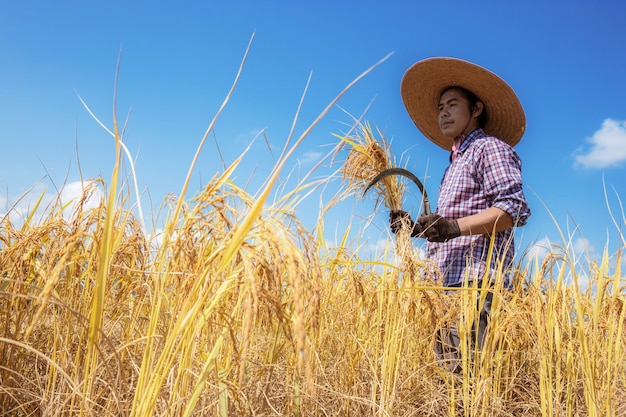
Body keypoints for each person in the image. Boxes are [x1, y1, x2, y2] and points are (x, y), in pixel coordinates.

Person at [390, 57, 531, 373]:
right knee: (448, 388)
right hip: (445, 289)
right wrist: (414, 228)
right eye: (440, 107)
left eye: (452, 104)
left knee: (465, 385)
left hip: (474, 287)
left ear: (476, 109)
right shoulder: (454, 164)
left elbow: (513, 208)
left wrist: (454, 227)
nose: (443, 112)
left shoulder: (488, 149)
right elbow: (448, 226)